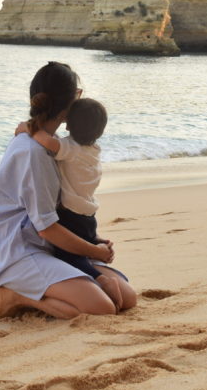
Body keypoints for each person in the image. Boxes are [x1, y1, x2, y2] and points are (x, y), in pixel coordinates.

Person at [0, 62, 136, 319]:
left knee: (127, 298)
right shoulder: (34, 152)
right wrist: (94, 251)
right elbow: (46, 227)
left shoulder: (60, 147)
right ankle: (15, 294)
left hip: (51, 245)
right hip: (21, 249)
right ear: (74, 99)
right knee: (103, 308)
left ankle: (47, 288)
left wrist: (92, 241)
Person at [14, 98, 126, 308]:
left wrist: (26, 128)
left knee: (69, 256)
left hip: (70, 216)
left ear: (68, 124)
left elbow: (46, 141)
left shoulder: (70, 148)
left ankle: (102, 280)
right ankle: (98, 246)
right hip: (88, 215)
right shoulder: (93, 150)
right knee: (85, 240)